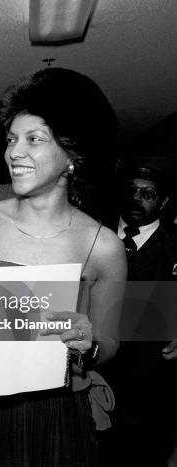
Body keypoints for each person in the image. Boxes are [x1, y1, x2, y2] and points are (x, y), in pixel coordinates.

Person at [0, 67, 126, 466]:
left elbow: (110, 343)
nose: (14, 151)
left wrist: (91, 343)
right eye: (12, 139)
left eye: (34, 139)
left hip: (61, 414)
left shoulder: (105, 247)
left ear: (71, 155)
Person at [101, 156, 177, 466]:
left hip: (154, 383)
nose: (136, 199)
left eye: (147, 193)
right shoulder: (91, 235)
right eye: (131, 190)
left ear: (163, 201)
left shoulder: (175, 245)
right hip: (97, 375)